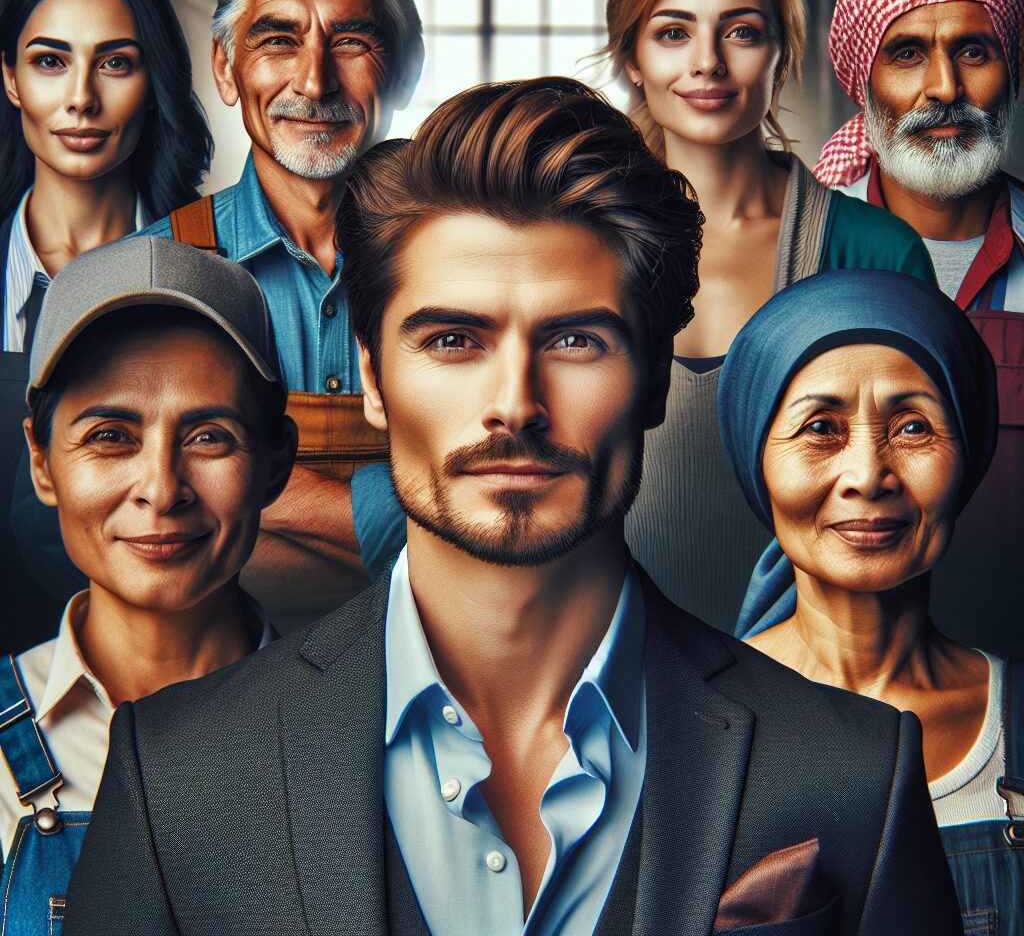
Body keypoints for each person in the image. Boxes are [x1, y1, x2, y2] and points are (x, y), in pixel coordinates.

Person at [66, 79, 961, 935]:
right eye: (453, 339)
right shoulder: (176, 776)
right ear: (374, 379)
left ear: (654, 379)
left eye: (576, 339)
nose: (515, 403)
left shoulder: (855, 773)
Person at [603, 0, 936, 632]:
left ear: (781, 54)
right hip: (602, 661)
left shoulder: (876, 254)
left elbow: (915, 495)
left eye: (742, 32)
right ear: (632, 56)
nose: (708, 63)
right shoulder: (573, 247)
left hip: (817, 676)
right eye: (672, 32)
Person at [137, 0, 425, 632]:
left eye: (352, 40)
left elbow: (506, 488)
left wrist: (243, 519)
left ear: (408, 66)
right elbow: (63, 525)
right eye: (277, 40)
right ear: (227, 70)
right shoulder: (147, 270)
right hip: (215, 701)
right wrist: (406, 523)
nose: (314, 78)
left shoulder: (465, 265)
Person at [0, 235, 296, 934]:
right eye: (110, 436)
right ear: (42, 463)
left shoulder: (364, 734)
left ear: (274, 463)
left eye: (209, 436)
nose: (162, 490)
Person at [717, 268, 1020, 932]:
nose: (867, 476)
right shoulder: (692, 724)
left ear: (966, 455)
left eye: (913, 428)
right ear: (755, 459)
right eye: (821, 427)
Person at [814, 0, 1024, 659]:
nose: (944, 88)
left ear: (1012, 73)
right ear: (861, 81)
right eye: (907, 53)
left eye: (974, 51)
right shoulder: (799, 252)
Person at [0, 0, 213, 654]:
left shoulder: (213, 271)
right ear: (10, 78)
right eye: (50, 61)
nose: (82, 98)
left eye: (115, 62)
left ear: (153, 79)